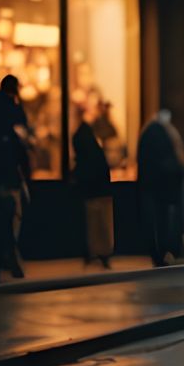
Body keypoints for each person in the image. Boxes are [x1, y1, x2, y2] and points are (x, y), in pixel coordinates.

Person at [136, 108, 184, 266]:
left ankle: (156, 253)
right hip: (165, 186)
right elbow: (176, 162)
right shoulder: (167, 134)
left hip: (150, 185)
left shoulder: (148, 133)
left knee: (153, 220)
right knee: (164, 220)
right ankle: (166, 251)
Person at [0, 75, 31, 282]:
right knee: (12, 218)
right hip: (9, 175)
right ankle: (10, 257)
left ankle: (0, 264)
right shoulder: (15, 111)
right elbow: (23, 143)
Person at [72, 106, 115, 268]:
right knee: (102, 224)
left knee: (93, 224)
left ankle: (93, 253)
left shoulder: (84, 148)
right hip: (100, 190)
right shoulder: (94, 147)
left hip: (92, 190)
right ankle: (103, 253)